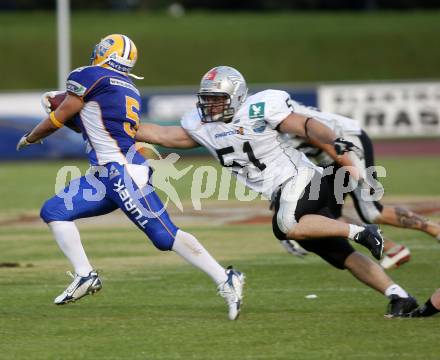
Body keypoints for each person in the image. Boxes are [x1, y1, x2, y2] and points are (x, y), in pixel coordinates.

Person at [134, 65, 418, 317]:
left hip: (303, 178)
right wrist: (109, 124)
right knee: (339, 254)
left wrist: (335, 141)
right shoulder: (201, 126)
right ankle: (399, 296)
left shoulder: (260, 108)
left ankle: (364, 232)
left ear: (236, 97)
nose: (210, 105)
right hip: (284, 192)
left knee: (285, 225)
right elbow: (161, 134)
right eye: (207, 98)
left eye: (217, 99)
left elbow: (305, 125)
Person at [16, 35, 245, 321]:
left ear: (102, 52)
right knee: (54, 210)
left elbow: (63, 116)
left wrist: (30, 137)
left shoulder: (88, 75)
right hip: (105, 174)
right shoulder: (128, 89)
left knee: (164, 236)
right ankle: (86, 275)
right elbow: (94, 126)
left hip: (121, 172)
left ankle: (226, 278)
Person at [281, 105, 440, 269]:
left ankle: (436, 230)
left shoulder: (279, 119)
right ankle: (393, 249)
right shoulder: (264, 122)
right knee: (327, 214)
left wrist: (356, 173)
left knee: (371, 211)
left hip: (345, 142)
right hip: (325, 158)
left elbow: (327, 143)